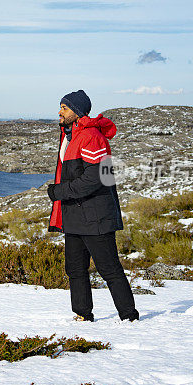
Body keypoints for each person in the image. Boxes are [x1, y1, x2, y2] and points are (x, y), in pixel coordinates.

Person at [46, 89, 139, 322]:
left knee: (109, 269)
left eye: (64, 108)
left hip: (96, 217)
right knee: (75, 269)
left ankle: (129, 317)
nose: (60, 112)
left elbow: (97, 178)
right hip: (76, 215)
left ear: (76, 112)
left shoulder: (91, 136)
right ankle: (82, 314)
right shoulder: (71, 135)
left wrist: (59, 192)